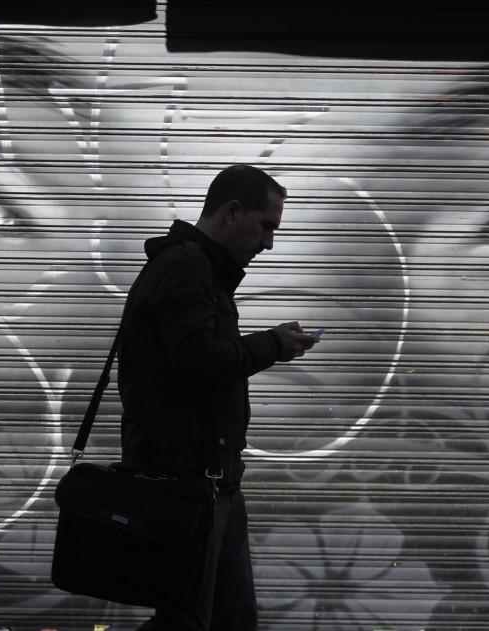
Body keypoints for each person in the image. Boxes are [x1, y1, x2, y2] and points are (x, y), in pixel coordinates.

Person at [118, 164, 319, 630]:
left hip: (213, 479)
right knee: (187, 618)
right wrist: (272, 344)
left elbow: (198, 357)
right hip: (185, 480)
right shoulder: (186, 266)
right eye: (266, 226)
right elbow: (198, 360)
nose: (268, 243)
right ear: (232, 212)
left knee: (230, 618)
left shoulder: (201, 270)